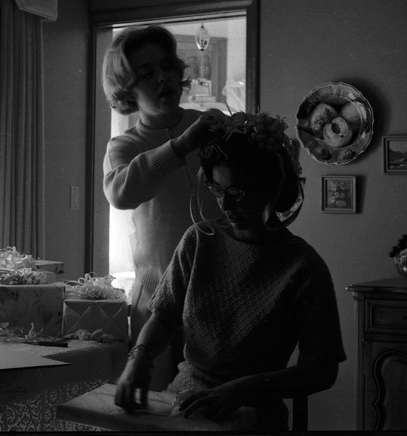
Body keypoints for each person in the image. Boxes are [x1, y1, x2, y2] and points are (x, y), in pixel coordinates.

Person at [113, 112, 346, 431]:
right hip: (184, 406)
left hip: (253, 418)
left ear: (270, 188)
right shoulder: (199, 241)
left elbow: (322, 369)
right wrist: (139, 357)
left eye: (237, 193)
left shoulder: (303, 267)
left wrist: (244, 389)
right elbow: (163, 318)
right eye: (216, 190)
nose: (225, 205)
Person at [102, 25, 229, 390]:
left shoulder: (213, 126)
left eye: (167, 67)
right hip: (158, 299)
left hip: (220, 295)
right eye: (146, 74)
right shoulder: (123, 147)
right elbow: (121, 194)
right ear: (127, 88)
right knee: (155, 409)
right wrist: (181, 146)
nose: (162, 78)